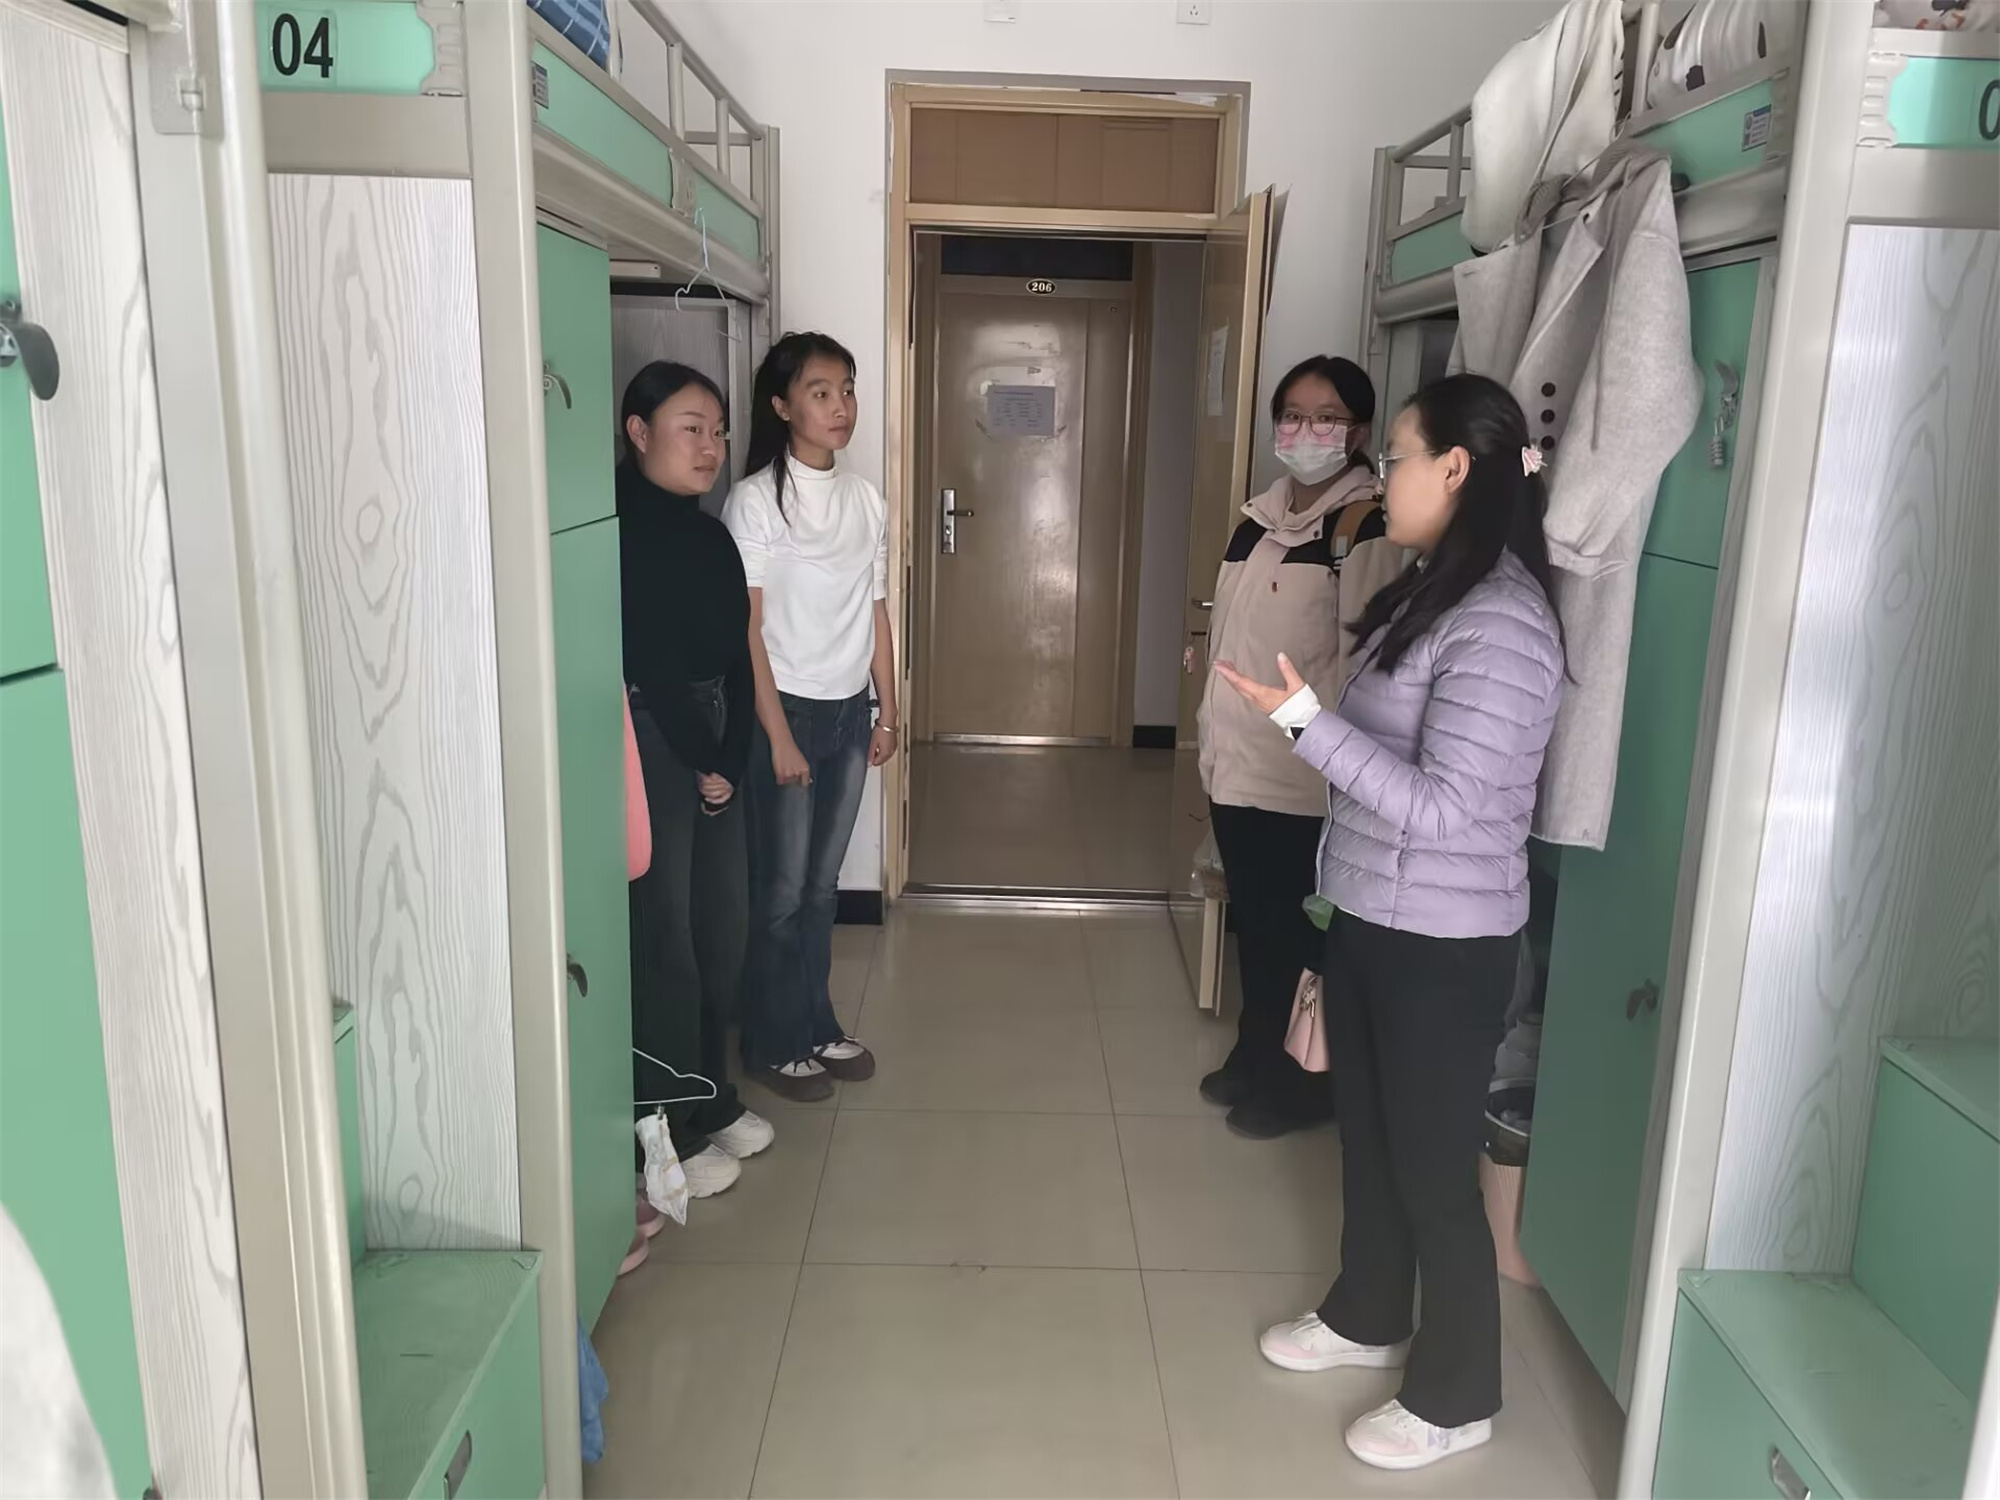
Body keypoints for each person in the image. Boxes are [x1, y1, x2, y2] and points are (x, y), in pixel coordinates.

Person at [1215, 374, 1565, 1471]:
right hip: (1372, 912)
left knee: (1430, 1174)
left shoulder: (1502, 621)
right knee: (1366, 1143)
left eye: (1395, 458)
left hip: (1444, 944)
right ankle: (1367, 1312)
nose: (1381, 479)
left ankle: (1458, 1395)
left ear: (1454, 468)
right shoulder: (1429, 590)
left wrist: (1305, 726)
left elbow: (1448, 807)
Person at [1196, 355, 1402, 1140]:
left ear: (1359, 431)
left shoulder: (1366, 527)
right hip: (1237, 764)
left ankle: (1302, 1085)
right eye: (1291, 414)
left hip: (1307, 778)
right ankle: (1255, 1053)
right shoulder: (1257, 519)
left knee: (1301, 938)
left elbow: (1366, 669)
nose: (1305, 430)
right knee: (1256, 926)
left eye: (1326, 417)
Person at [725, 333, 894, 1102]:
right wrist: (777, 735)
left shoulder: (866, 500)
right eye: (821, 392)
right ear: (783, 405)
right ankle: (771, 1041)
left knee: (822, 889)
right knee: (783, 892)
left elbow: (876, 610)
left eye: (847, 390)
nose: (840, 406)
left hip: (849, 714)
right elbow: (748, 628)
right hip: (785, 711)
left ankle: (816, 1024)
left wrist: (888, 710)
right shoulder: (756, 500)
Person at [619, 361, 773, 1201]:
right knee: (664, 937)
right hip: (655, 738)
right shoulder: (619, 528)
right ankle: (665, 1127)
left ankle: (712, 1099)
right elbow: (646, 659)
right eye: (691, 429)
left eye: (718, 431)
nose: (710, 447)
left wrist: (734, 755)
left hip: (713, 738)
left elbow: (741, 652)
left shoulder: (711, 535)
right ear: (639, 432)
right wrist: (703, 758)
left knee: (722, 930)